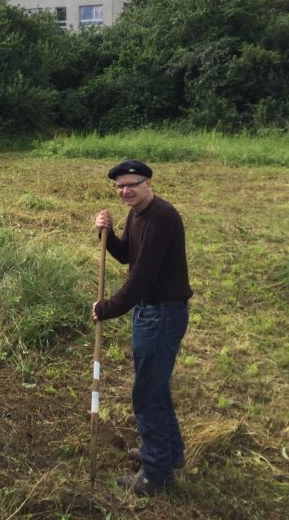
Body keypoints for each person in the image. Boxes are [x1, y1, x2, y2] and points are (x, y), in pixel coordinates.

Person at [92, 159, 193, 496]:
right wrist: (105, 235)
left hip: (161, 314)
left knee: (147, 393)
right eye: (120, 186)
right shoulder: (137, 214)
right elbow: (127, 257)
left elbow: (141, 278)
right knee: (156, 387)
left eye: (131, 184)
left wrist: (108, 308)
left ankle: (156, 476)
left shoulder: (161, 218)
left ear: (149, 182)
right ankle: (168, 454)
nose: (125, 191)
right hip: (150, 312)